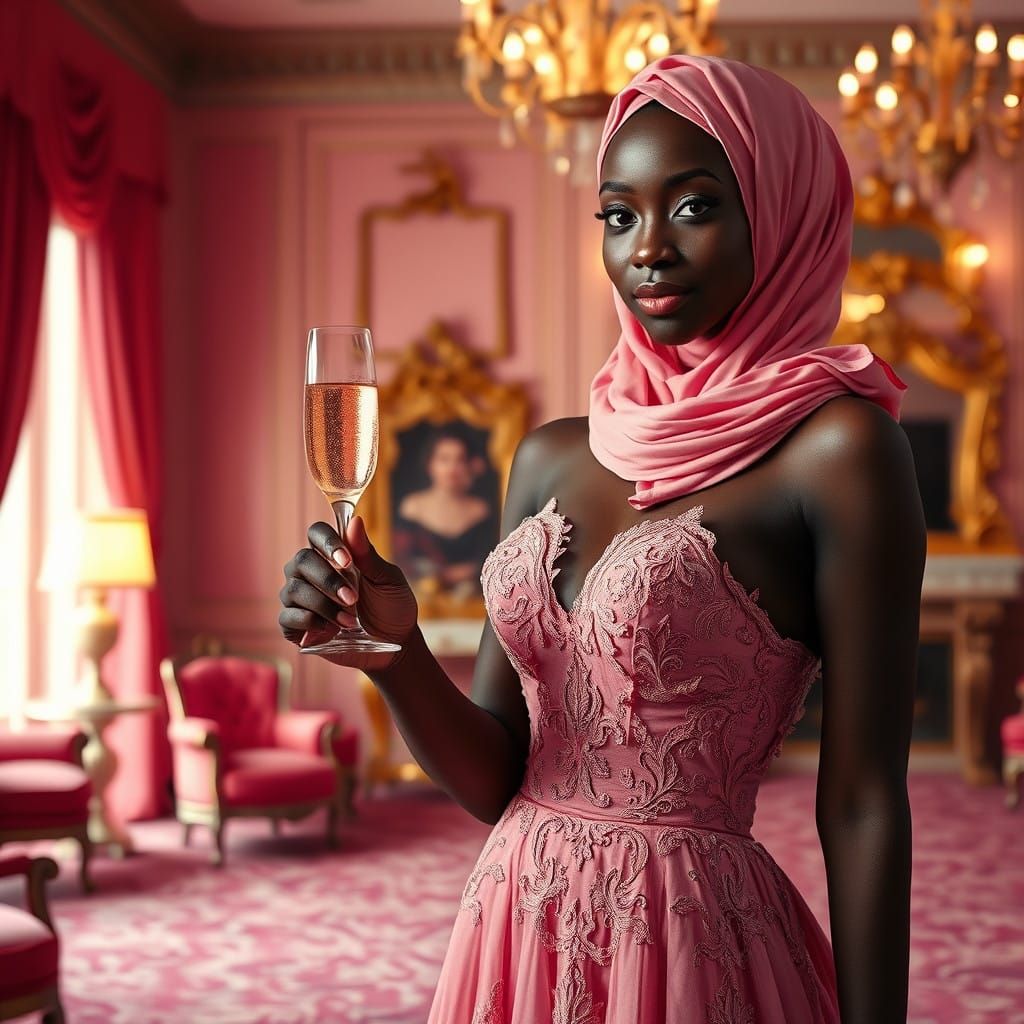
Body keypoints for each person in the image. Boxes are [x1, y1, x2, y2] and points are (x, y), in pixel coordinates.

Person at [279, 54, 924, 1024]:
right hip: (513, 923)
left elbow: (865, 800)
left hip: (685, 944)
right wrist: (394, 653)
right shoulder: (551, 453)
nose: (648, 249)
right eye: (618, 216)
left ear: (782, 211)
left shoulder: (841, 451)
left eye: (694, 207)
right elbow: (499, 776)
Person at [391, 428, 497, 598]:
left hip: (472, 603)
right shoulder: (412, 507)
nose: (452, 468)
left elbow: (489, 561)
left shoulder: (480, 510)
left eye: (460, 460)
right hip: (422, 601)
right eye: (444, 459)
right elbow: (401, 561)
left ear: (469, 465)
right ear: (430, 464)